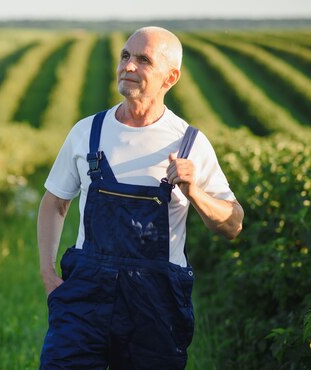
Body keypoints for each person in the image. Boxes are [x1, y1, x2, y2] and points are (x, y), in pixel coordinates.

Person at [37, 26, 244, 370]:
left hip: (156, 303)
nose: (128, 66)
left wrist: (195, 192)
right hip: (86, 294)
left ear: (170, 77)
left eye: (143, 60)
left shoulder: (189, 143)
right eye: (125, 56)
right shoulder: (88, 131)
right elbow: (55, 203)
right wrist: (48, 273)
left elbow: (233, 224)